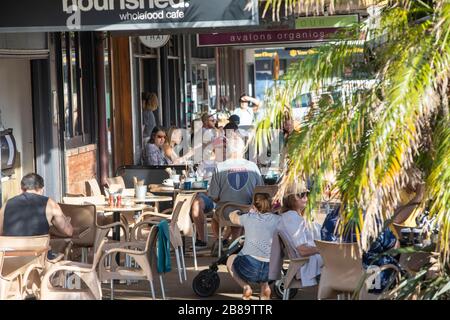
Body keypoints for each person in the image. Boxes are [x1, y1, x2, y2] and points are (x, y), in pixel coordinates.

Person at [209, 136, 264, 245]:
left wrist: (225, 200)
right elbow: (261, 192)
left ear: (228, 150)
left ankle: (218, 241)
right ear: (243, 150)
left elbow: (213, 196)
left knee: (215, 217)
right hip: (248, 212)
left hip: (226, 211)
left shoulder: (220, 167)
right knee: (240, 214)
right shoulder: (253, 167)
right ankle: (236, 245)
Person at [226, 193, 280, 300]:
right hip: (270, 270)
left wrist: (238, 212)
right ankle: (265, 286)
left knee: (230, 260)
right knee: (267, 261)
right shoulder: (278, 219)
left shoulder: (248, 217)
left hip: (249, 267)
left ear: (254, 206)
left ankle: (246, 287)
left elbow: (232, 217)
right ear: (270, 206)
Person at [273, 192, 323, 287]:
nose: (305, 197)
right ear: (291, 198)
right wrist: (324, 249)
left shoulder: (292, 216)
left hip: (310, 263)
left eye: (306, 194)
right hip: (307, 265)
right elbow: (302, 250)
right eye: (301, 194)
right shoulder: (292, 218)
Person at [0, 173, 73, 237]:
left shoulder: (6, 204)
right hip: (39, 252)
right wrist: (66, 220)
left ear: (21, 189)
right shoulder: (50, 204)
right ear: (41, 190)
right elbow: (68, 232)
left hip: (11, 252)